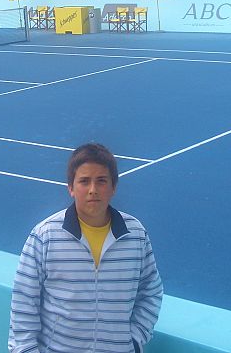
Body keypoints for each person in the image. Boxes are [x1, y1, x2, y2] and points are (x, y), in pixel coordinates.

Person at [9, 143, 162, 353]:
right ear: (71, 188)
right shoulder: (45, 236)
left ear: (113, 187)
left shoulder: (135, 235)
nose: (93, 190)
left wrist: (134, 340)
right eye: (84, 181)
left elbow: (151, 291)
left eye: (101, 181)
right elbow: (23, 305)